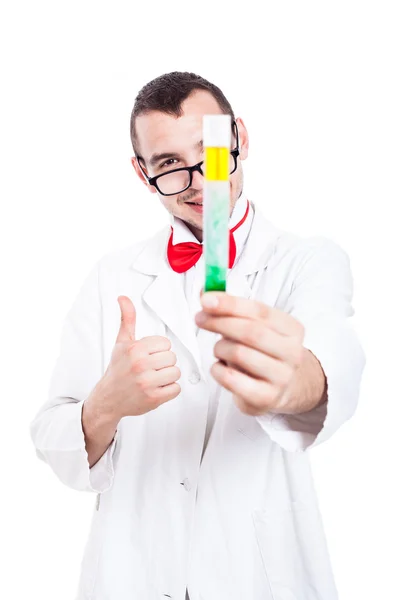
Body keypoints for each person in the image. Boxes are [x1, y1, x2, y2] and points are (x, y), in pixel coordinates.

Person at [30, 71, 365, 600]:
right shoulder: (111, 277)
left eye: (209, 154)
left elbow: (331, 364)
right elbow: (50, 432)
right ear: (143, 174)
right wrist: (104, 407)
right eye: (169, 166)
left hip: (258, 573)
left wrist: (287, 381)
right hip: (131, 571)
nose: (198, 182)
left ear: (240, 140)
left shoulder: (306, 260)